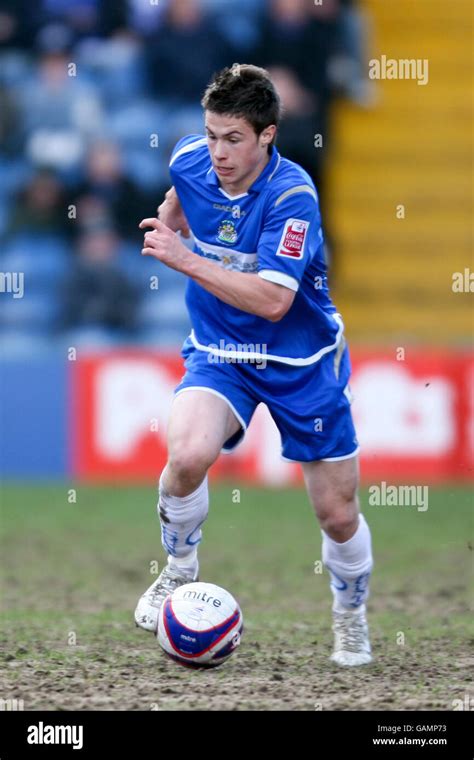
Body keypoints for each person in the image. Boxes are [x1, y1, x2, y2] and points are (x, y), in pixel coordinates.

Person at [135, 64, 373, 666]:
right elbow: (178, 202)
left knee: (337, 514)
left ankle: (350, 616)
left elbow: (273, 302)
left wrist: (183, 259)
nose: (218, 151)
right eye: (212, 134)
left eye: (234, 138)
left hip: (301, 360)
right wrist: (167, 225)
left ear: (267, 135)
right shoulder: (191, 160)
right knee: (186, 455)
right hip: (221, 352)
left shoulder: (293, 197)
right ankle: (179, 571)